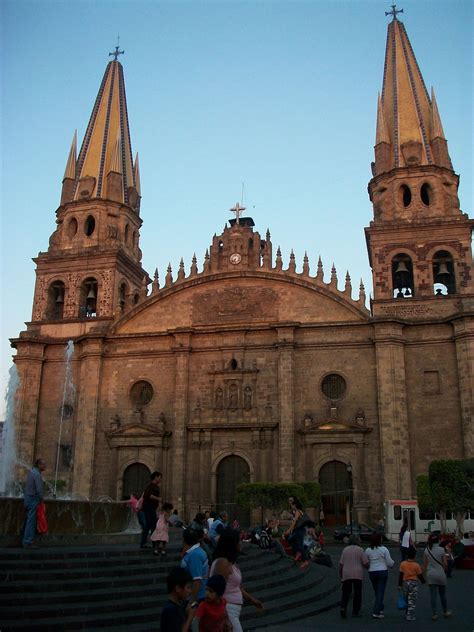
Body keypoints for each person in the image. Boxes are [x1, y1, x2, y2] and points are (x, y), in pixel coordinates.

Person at [211, 528, 264, 632]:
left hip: (232, 610)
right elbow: (216, 591)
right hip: (227, 610)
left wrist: (252, 600)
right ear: (231, 544)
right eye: (239, 541)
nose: (241, 543)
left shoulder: (230, 562)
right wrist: (225, 618)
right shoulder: (223, 563)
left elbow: (237, 587)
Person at [423, 533, 452, 621]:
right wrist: (446, 569)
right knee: (442, 595)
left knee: (433, 595)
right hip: (440, 574)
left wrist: (424, 576)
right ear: (438, 540)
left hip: (430, 574)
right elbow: (445, 564)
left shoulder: (426, 550)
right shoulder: (441, 550)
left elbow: (424, 565)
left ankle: (434, 614)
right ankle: (445, 612)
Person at [365, 532, 395, 619]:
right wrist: (393, 564)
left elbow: (366, 561)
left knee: (377, 591)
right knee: (380, 591)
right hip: (382, 571)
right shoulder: (384, 549)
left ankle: (380, 608)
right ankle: (376, 611)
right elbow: (389, 562)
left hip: (372, 571)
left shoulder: (368, 550)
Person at [339, 534, 369, 619]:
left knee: (346, 592)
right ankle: (355, 611)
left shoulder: (345, 550)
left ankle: (343, 608)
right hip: (357, 573)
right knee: (357, 593)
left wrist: (341, 575)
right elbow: (365, 563)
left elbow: (341, 564)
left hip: (346, 573)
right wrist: (368, 566)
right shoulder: (360, 550)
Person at [160, 567, 195, 632]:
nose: (190, 591)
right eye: (188, 587)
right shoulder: (170, 611)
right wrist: (190, 617)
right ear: (178, 588)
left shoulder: (180, 604)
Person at [181, 527, 210, 607]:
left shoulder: (195, 555)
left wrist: (191, 602)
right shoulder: (195, 551)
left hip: (197, 596)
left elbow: (197, 580)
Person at [22, 458, 46, 549]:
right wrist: (41, 499)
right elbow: (39, 489)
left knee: (28, 520)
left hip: (27, 499)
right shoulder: (37, 474)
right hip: (33, 500)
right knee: (31, 522)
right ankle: (28, 542)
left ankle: (24, 539)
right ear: (39, 465)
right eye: (44, 464)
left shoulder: (31, 472)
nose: (45, 466)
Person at [399, 545, 425, 622]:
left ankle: (407, 613)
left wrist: (399, 584)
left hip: (405, 582)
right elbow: (420, 575)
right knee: (412, 600)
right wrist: (423, 581)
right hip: (413, 583)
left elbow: (401, 575)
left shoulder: (403, 564)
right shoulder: (416, 565)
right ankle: (410, 616)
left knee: (406, 598)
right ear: (414, 555)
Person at [140, 470, 162, 549]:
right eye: (159, 477)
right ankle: (154, 544)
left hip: (150, 508)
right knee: (153, 526)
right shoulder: (151, 486)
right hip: (149, 508)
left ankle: (144, 543)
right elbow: (148, 495)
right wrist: (158, 499)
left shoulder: (153, 486)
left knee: (148, 526)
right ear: (156, 477)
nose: (160, 479)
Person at [283, 497, 308, 562]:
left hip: (299, 530)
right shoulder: (296, 512)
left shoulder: (298, 512)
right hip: (297, 530)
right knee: (291, 540)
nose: (291, 506)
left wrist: (289, 530)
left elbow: (294, 522)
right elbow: (293, 522)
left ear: (295, 505)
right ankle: (297, 555)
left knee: (300, 545)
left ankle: (304, 560)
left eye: (292, 505)